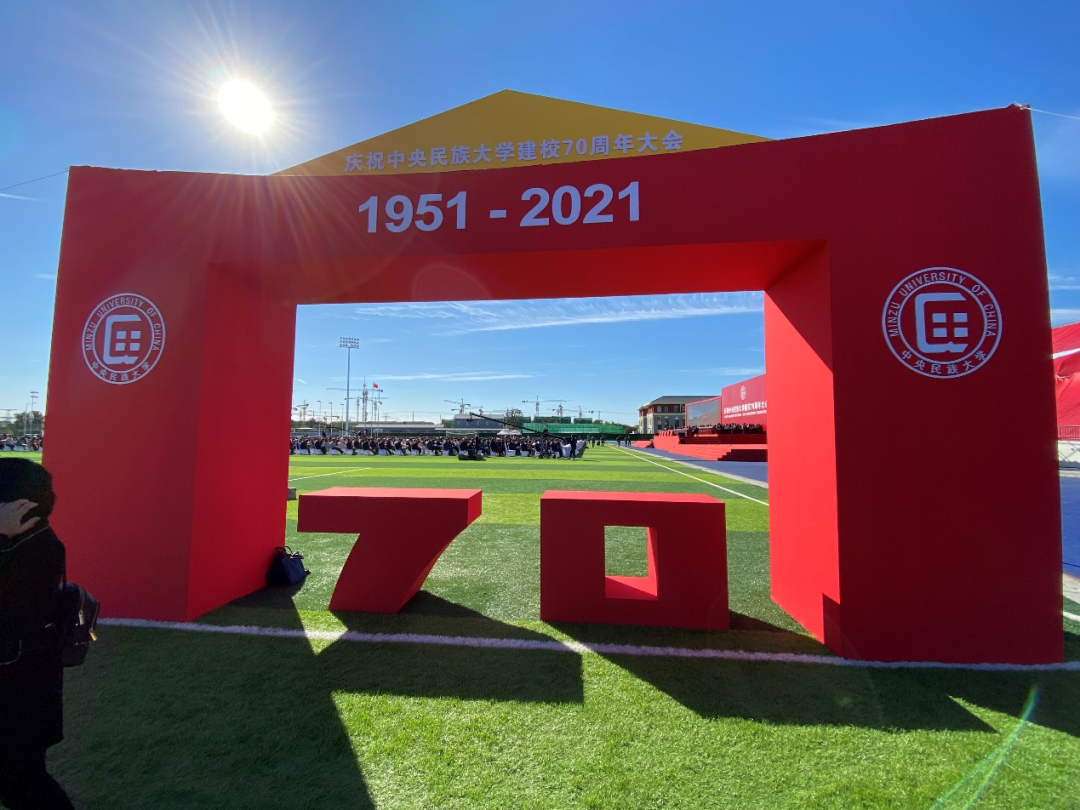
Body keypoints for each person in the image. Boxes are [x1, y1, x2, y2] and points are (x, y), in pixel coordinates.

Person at [0, 458, 74, 809]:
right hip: (23, 685)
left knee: (23, 782)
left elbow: (14, 616)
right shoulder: (25, 542)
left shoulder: (37, 547)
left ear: (18, 505)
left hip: (19, 690)